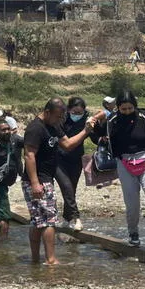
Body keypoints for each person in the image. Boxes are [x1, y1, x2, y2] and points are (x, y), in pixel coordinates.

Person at [92, 90, 145, 249]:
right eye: (123, 109)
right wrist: (93, 125)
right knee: (132, 203)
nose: (127, 112)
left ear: (135, 106)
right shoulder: (112, 120)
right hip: (124, 163)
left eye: (130, 109)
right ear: (118, 108)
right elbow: (98, 136)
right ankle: (133, 233)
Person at [22, 98, 94, 265]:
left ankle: (35, 260)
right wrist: (35, 183)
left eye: (62, 117)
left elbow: (68, 144)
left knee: (38, 220)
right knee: (48, 220)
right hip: (38, 179)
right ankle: (51, 260)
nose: (60, 120)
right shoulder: (35, 128)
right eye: (57, 116)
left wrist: (86, 130)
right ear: (47, 112)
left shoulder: (53, 125)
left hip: (46, 177)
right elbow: (29, 155)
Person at [55, 97, 89, 231]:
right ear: (68, 110)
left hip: (76, 159)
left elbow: (95, 136)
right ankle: (77, 218)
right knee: (67, 186)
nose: (77, 115)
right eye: (74, 112)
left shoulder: (86, 121)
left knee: (71, 190)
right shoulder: (61, 120)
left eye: (80, 113)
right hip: (59, 159)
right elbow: (65, 142)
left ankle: (66, 218)